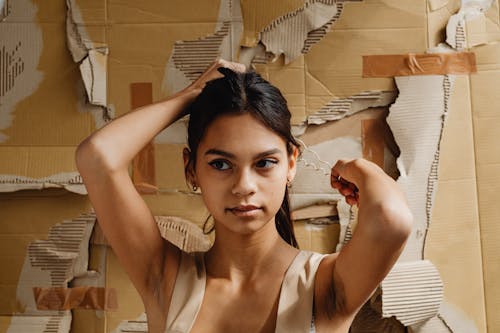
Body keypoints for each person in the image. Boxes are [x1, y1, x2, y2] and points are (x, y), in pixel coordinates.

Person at [75, 59, 413, 333]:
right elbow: (98, 157)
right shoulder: (165, 279)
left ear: (291, 163)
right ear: (191, 169)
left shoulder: (325, 287)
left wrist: (355, 166)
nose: (243, 185)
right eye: (221, 164)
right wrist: (191, 96)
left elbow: (391, 219)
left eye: (265, 162)